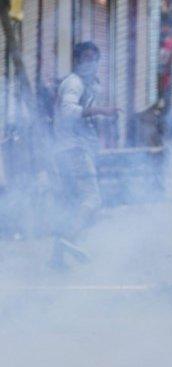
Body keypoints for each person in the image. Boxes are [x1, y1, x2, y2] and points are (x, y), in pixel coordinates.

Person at [49, 42, 120, 270]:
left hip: (73, 148)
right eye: (85, 58)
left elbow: (84, 116)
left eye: (94, 58)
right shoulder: (74, 83)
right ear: (77, 60)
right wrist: (102, 111)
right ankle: (70, 238)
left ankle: (56, 260)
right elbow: (69, 112)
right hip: (73, 150)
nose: (90, 63)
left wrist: (103, 118)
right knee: (92, 199)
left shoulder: (90, 84)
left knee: (71, 204)